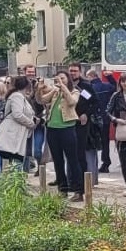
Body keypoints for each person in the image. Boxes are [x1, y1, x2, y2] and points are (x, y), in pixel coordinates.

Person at [37, 72, 83, 200]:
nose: (59, 80)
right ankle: (62, 189)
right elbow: (41, 100)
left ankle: (78, 190)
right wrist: (39, 89)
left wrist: (63, 87)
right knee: (57, 161)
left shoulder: (75, 92)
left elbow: (72, 102)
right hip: (52, 129)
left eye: (62, 78)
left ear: (68, 79)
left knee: (73, 160)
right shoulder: (54, 92)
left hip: (67, 129)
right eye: (57, 78)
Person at [0, 76, 37, 171]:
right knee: (16, 161)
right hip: (13, 133)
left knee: (16, 160)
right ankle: (15, 184)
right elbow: (18, 114)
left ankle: (16, 182)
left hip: (17, 132)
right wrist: (32, 123)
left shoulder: (19, 96)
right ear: (27, 86)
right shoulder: (17, 96)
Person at [66, 63, 97, 184]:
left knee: (80, 153)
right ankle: (70, 180)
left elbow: (95, 102)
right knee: (69, 153)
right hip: (67, 122)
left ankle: (83, 183)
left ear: (80, 72)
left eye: (75, 71)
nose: (72, 73)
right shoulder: (65, 86)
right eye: (70, 71)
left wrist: (86, 114)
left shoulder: (86, 86)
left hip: (81, 123)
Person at [90, 69, 117, 173]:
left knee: (92, 141)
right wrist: (110, 77)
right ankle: (105, 163)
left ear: (91, 77)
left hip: (94, 118)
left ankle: (92, 164)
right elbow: (115, 87)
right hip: (105, 117)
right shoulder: (106, 86)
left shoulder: (90, 87)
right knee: (105, 141)